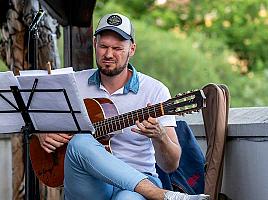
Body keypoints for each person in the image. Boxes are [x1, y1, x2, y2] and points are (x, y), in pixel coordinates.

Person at [38, 13, 209, 200]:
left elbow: (170, 165)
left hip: (139, 181)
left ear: (132, 49)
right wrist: (41, 133)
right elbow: (37, 117)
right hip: (90, 183)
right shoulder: (73, 84)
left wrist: (160, 137)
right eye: (103, 46)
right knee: (80, 142)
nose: (109, 54)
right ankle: (161, 195)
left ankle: (152, 191)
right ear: (95, 44)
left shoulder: (155, 90)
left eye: (117, 48)